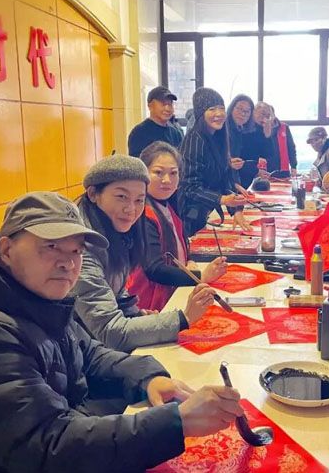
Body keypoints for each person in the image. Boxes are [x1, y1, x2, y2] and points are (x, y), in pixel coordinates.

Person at [0, 191, 243, 472]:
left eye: (76, 250)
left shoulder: (36, 297)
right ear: (6, 249)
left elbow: (89, 355)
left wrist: (148, 377)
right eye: (50, 246)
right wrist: (177, 422)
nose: (67, 262)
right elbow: (47, 447)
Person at [72, 155, 218, 352]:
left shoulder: (117, 231)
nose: (131, 209)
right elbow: (111, 332)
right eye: (121, 196)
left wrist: (136, 315)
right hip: (78, 354)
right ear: (93, 194)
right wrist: (184, 318)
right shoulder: (80, 251)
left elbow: (117, 292)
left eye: (139, 200)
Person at [127, 142, 228, 311]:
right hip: (148, 305)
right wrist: (200, 276)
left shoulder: (167, 205)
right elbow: (154, 269)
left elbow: (180, 242)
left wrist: (189, 260)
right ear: (143, 174)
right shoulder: (142, 214)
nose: (167, 180)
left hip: (172, 293)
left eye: (173, 173)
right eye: (158, 172)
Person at [179, 87, 251, 236]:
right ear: (201, 114)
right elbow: (189, 187)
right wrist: (222, 199)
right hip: (186, 217)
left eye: (221, 108)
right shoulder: (194, 139)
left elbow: (224, 178)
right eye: (212, 109)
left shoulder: (218, 137)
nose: (219, 114)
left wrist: (236, 210)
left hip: (202, 213)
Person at [128, 86, 182, 157]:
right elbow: (137, 162)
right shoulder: (139, 132)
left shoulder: (175, 133)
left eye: (170, 104)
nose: (167, 108)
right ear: (150, 106)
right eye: (163, 104)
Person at [226, 94, 266, 188]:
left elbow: (244, 160)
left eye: (247, 111)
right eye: (239, 109)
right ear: (231, 108)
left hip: (237, 181)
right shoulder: (223, 129)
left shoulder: (241, 130)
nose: (243, 114)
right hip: (223, 184)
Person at [254, 101, 297, 176]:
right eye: (262, 115)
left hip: (282, 168)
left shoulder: (284, 127)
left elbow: (291, 147)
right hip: (262, 169)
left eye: (268, 115)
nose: (265, 119)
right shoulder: (257, 128)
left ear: (273, 115)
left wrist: (293, 166)